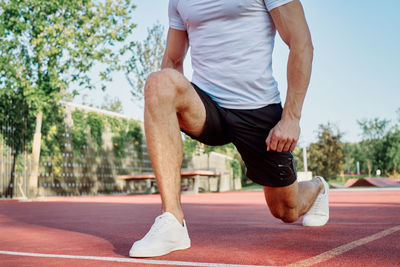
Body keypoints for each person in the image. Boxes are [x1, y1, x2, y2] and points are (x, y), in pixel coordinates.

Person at [129, 0, 329, 258]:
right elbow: (173, 59)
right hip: (207, 105)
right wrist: (168, 114)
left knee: (286, 211)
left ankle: (317, 187)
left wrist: (291, 117)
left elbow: (301, 43)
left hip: (257, 108)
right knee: (159, 83)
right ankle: (172, 221)